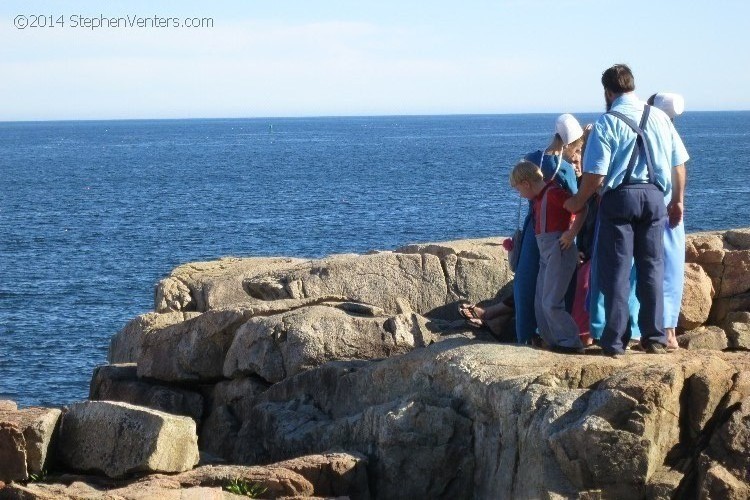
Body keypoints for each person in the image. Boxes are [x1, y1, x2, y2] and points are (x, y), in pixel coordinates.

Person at [564, 64, 689, 356]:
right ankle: (655, 338)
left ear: (608, 92)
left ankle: (616, 341)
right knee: (651, 269)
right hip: (655, 197)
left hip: (619, 198)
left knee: (617, 271)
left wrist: (577, 201)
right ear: (632, 86)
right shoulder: (659, 117)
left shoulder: (607, 122)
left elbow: (594, 174)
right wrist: (677, 200)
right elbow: (678, 164)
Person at [460, 115, 584, 344]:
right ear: (569, 144)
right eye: (576, 148)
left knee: (527, 284)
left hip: (531, 230)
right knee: (556, 288)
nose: (575, 154)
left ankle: (525, 335)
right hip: (556, 232)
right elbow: (577, 201)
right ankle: (554, 336)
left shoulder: (532, 158)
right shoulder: (564, 169)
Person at [510, 160, 587, 353]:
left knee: (551, 301)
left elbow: (580, 208)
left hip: (558, 249)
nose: (520, 194)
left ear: (526, 183)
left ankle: (570, 341)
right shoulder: (539, 198)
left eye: (519, 189)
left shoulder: (553, 193)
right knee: (540, 301)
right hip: (546, 250)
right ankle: (552, 339)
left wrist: (571, 234)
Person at [648, 92, 687, 350]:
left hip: (649, 204)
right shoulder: (671, 132)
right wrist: (679, 200)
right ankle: (669, 331)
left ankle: (644, 330)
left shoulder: (649, 129)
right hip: (669, 207)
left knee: (643, 266)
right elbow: (679, 168)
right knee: (671, 268)